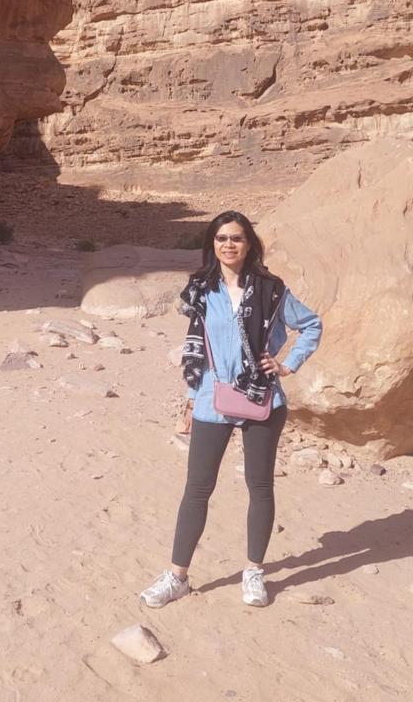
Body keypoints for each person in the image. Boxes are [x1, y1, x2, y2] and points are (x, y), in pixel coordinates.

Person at [140, 210, 322, 608]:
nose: (229, 245)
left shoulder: (272, 289)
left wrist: (288, 364)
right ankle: (177, 576)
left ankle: (254, 571)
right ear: (212, 244)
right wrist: (192, 395)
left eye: (236, 238)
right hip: (212, 396)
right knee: (197, 489)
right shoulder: (201, 289)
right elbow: (198, 347)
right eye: (221, 238)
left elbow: (311, 325)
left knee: (260, 486)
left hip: (263, 397)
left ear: (249, 243)